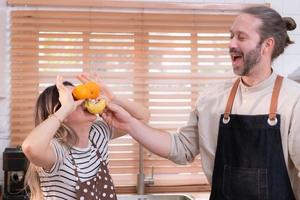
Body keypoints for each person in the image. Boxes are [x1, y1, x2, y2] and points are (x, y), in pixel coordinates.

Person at [101, 6, 300, 200]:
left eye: (241, 37)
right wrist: (129, 124)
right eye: (231, 36)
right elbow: (181, 149)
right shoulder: (212, 98)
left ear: (267, 45)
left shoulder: (293, 99)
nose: (231, 44)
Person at [22, 73, 150, 200]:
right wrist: (65, 109)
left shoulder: (98, 133)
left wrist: (112, 98)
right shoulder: (58, 150)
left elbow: (142, 117)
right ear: (61, 112)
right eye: (75, 99)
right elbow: (30, 148)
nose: (85, 100)